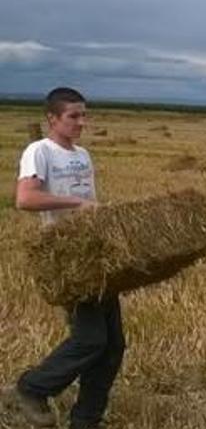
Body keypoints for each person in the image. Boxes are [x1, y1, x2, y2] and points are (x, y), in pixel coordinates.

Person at [11, 87, 125, 429]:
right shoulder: (39, 151)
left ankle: (86, 419)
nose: (82, 122)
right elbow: (25, 199)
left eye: (84, 115)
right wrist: (76, 204)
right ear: (52, 118)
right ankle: (31, 388)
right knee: (90, 339)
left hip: (95, 253)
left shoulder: (83, 155)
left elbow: (90, 204)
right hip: (67, 258)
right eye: (73, 116)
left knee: (113, 346)